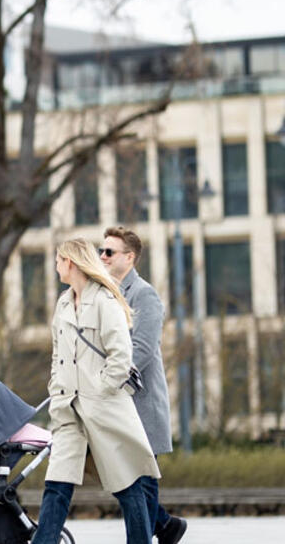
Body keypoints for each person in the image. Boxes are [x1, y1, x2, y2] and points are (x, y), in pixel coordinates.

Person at [32, 238, 161, 544]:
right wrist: (57, 388)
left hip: (104, 409)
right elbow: (57, 354)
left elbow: (121, 356)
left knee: (127, 485)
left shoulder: (105, 301)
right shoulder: (63, 304)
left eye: (58, 260)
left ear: (70, 262)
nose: (56, 266)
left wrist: (100, 389)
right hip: (68, 409)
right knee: (57, 484)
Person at [100, 227, 187, 544]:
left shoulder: (144, 294)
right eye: (101, 251)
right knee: (125, 479)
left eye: (109, 252)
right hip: (114, 402)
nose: (103, 256)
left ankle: (154, 530)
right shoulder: (105, 293)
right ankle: (164, 525)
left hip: (140, 401)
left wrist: (110, 381)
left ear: (130, 257)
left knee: (142, 478)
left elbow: (144, 349)